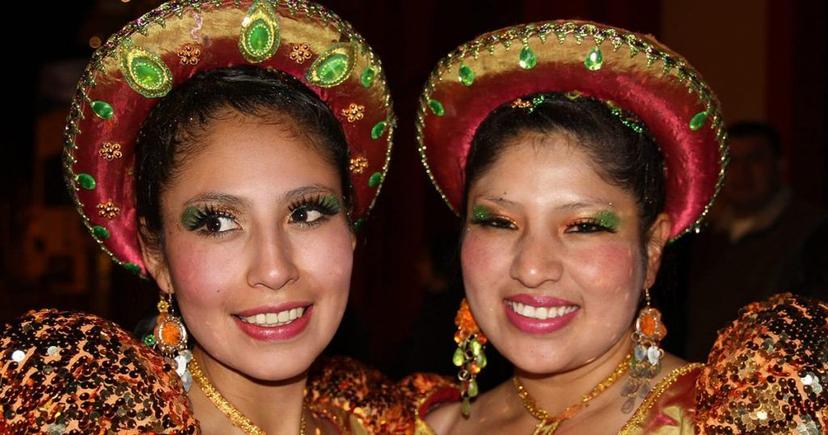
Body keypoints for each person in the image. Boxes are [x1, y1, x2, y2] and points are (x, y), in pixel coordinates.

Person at [0, 1, 403, 433]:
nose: (273, 269)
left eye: (305, 213)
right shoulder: (97, 418)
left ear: (351, 228)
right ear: (157, 257)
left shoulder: (382, 421)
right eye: (217, 223)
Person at [414, 20, 827, 434]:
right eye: (499, 222)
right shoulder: (430, 427)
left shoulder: (731, 421)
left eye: (583, 227)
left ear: (651, 250)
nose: (533, 267)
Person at [685, 121, 825, 360]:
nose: (742, 173)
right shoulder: (699, 239)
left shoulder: (814, 234)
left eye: (754, 159)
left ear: (779, 165)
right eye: (732, 161)